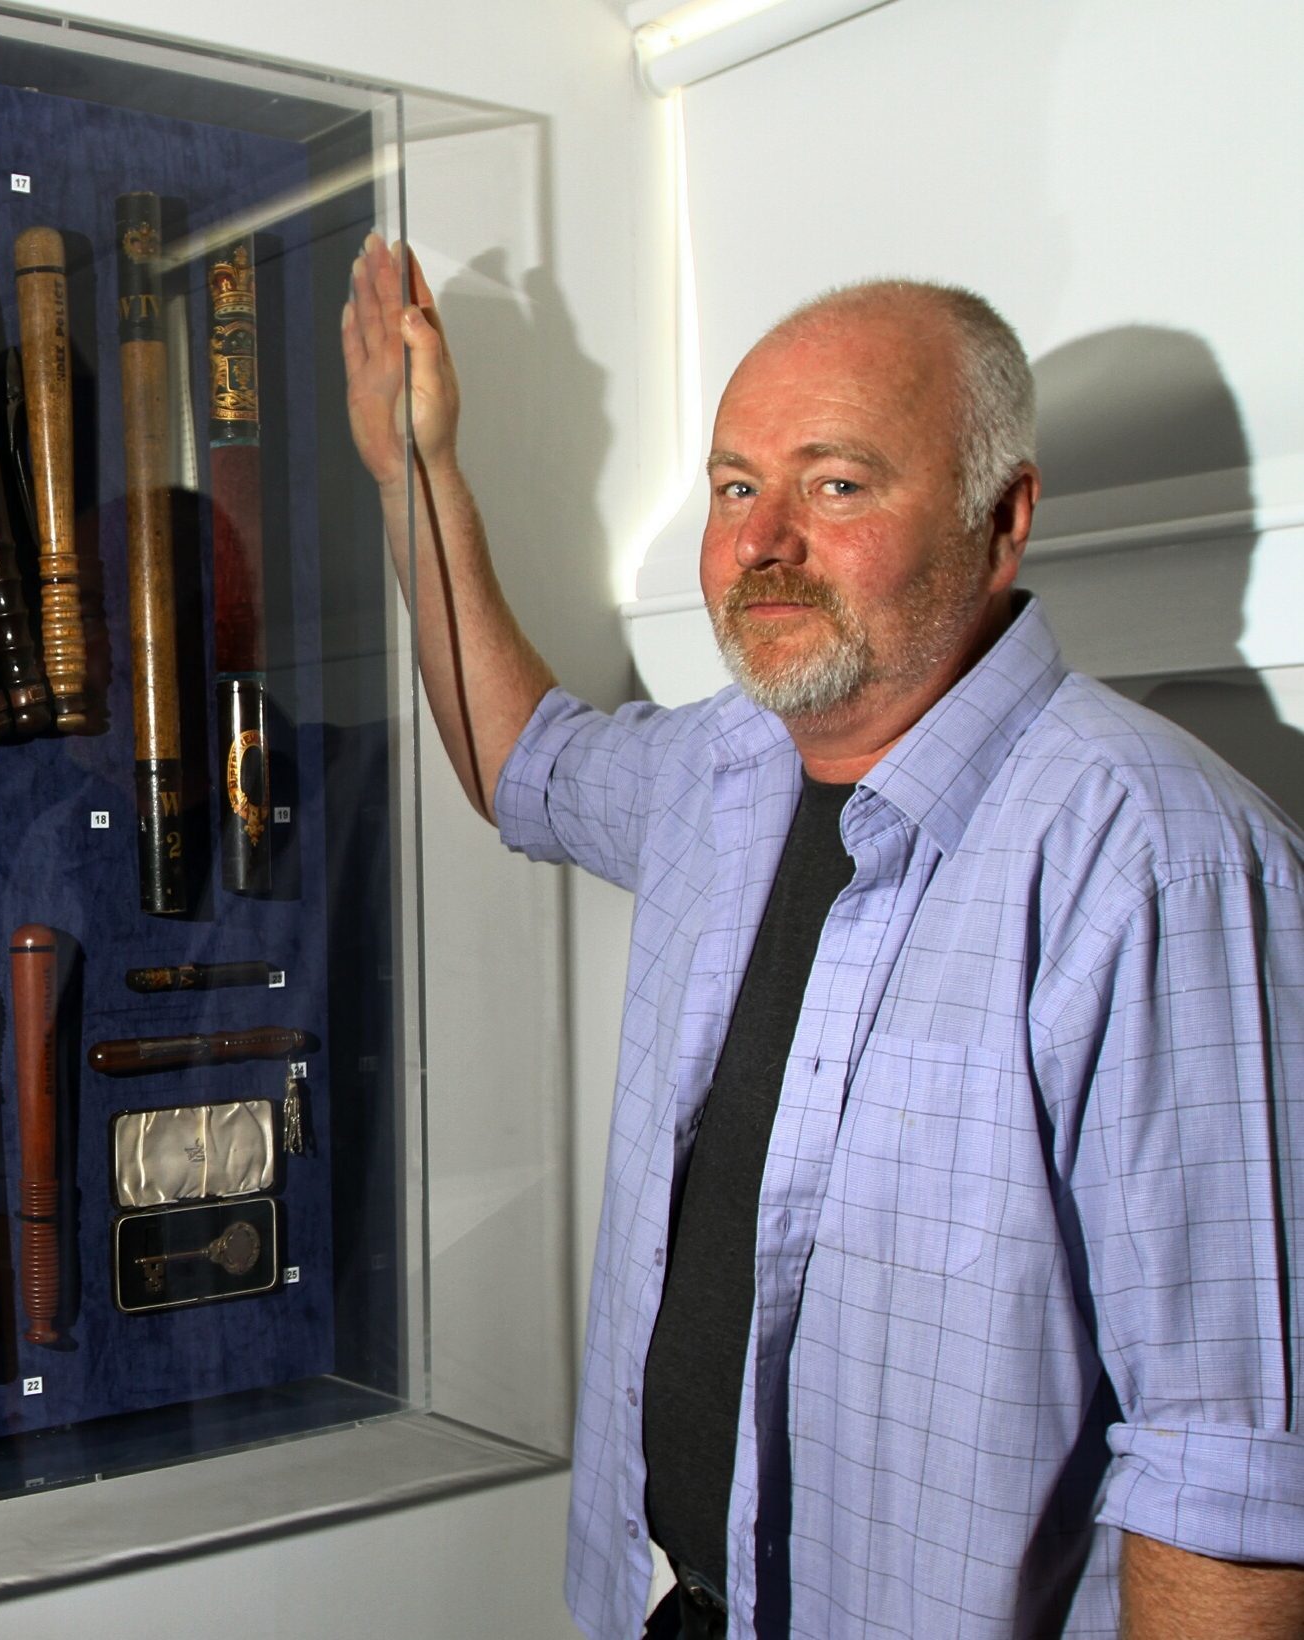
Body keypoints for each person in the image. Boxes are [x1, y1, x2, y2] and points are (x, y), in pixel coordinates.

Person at [341, 234, 1304, 1639]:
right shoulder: (723, 771)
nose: (762, 542)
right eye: (737, 487)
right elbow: (521, 766)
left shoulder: (1155, 865)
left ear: (1001, 514)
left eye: (834, 484)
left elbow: (1228, 1481)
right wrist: (412, 469)